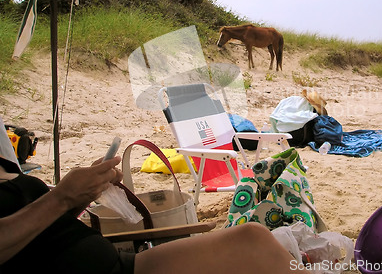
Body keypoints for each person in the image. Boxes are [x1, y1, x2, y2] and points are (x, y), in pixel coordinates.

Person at [0, 116, 308, 274]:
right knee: (254, 245)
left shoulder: (7, 168)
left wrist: (79, 197)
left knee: (253, 240)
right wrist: (61, 197)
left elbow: (40, 231)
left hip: (118, 262)